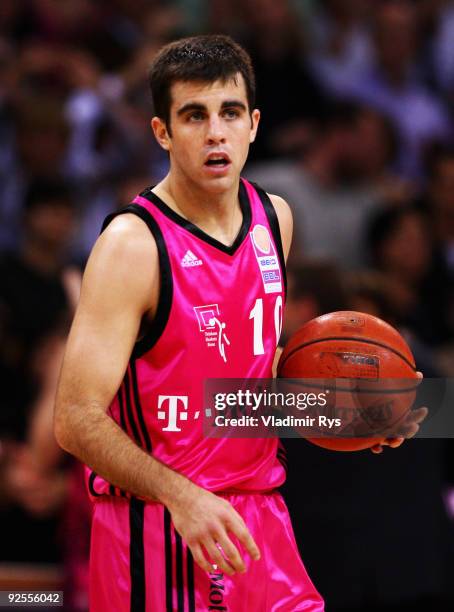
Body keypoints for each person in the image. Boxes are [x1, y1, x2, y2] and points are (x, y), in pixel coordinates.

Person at [54, 35, 422, 611]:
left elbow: (242, 393)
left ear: (253, 124)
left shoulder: (274, 219)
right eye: (194, 116)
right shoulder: (133, 245)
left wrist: (352, 413)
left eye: (228, 113)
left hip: (260, 520)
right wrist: (183, 498)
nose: (215, 133)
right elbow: (74, 420)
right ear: (162, 132)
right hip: (160, 527)